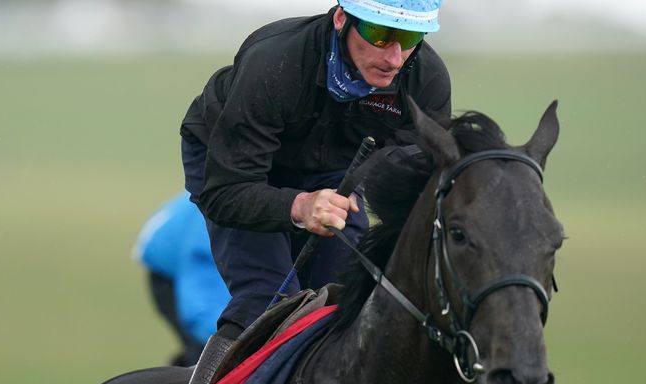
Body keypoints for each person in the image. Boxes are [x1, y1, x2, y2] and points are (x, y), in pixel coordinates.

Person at [180, 0, 451, 355]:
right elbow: (225, 193)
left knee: (347, 299)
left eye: (411, 35)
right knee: (268, 303)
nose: (395, 58)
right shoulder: (275, 60)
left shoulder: (426, 79)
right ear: (342, 19)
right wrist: (300, 206)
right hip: (232, 168)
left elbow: (419, 193)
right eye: (382, 35)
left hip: (332, 171)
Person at [133, 191, 232, 366]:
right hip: (170, 272)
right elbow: (201, 306)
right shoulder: (206, 233)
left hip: (197, 249)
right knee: (210, 353)